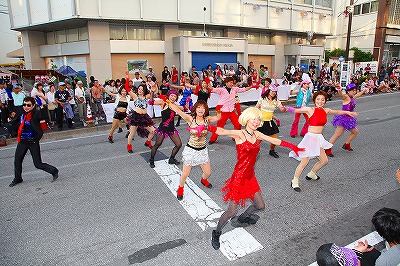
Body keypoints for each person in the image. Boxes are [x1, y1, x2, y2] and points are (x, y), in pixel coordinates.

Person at [210, 107, 303, 250]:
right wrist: (204, 127)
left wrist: (293, 147)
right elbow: (222, 131)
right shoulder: (240, 134)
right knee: (231, 212)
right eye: (253, 119)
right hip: (239, 177)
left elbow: (276, 142)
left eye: (258, 119)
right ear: (247, 119)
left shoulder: (257, 134)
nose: (256, 121)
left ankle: (244, 217)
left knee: (260, 206)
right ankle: (216, 232)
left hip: (250, 177)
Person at [286, 91, 358, 192]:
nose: (320, 101)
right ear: (315, 100)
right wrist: (286, 108)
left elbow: (337, 112)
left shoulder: (326, 110)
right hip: (310, 139)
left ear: (325, 101)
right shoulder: (310, 109)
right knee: (304, 162)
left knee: (324, 160)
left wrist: (348, 112)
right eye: (318, 99)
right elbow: (295, 110)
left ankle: (311, 173)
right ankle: (295, 181)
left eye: (322, 99)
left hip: (318, 139)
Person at [168, 100, 221, 200]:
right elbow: (178, 111)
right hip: (191, 151)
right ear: (195, 109)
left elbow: (218, 117)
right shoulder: (190, 119)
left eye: (203, 108)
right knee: (185, 174)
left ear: (205, 110)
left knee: (208, 173)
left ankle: (203, 180)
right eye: (199, 107)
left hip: (202, 151)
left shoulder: (207, 119)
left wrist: (219, 110)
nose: (201, 109)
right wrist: (168, 102)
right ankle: (180, 188)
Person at [9, 96, 59, 187]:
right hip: (22, 142)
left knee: (38, 164)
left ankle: (54, 171)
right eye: (24, 104)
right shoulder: (21, 114)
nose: (26, 107)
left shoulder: (36, 114)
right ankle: (18, 178)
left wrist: (41, 106)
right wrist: (10, 100)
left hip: (33, 141)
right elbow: (13, 115)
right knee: (17, 161)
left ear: (33, 106)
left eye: (28, 105)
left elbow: (43, 116)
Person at [208, 77, 254, 144]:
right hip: (223, 111)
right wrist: (208, 81)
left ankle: (235, 136)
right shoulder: (221, 90)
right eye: (230, 82)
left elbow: (243, 90)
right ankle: (212, 140)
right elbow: (212, 89)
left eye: (232, 82)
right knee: (219, 126)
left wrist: (250, 87)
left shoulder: (234, 89)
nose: (231, 84)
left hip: (231, 111)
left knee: (238, 124)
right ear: (226, 83)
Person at [325, 83, 367, 157]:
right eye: (353, 91)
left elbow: (358, 95)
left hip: (349, 119)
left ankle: (346, 144)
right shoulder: (346, 97)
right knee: (337, 135)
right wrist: (339, 89)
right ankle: (328, 149)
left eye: (355, 90)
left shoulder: (352, 97)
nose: (355, 92)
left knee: (355, 132)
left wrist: (364, 90)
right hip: (343, 119)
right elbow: (341, 95)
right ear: (348, 91)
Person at [148, 90, 182, 168]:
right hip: (162, 129)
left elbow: (183, 108)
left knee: (179, 144)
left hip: (171, 129)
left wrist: (187, 103)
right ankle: (151, 160)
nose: (173, 97)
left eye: (175, 96)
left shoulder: (175, 105)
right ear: (168, 96)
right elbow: (151, 102)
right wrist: (152, 92)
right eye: (171, 95)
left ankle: (171, 159)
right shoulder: (163, 103)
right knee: (157, 144)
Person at [124, 74, 156, 153]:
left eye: (142, 89)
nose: (140, 90)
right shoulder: (135, 96)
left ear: (144, 90)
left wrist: (154, 87)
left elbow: (154, 92)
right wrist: (127, 78)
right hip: (136, 117)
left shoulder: (146, 97)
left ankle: (148, 142)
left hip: (144, 117)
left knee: (153, 131)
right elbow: (127, 88)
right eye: (139, 89)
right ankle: (129, 146)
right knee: (132, 133)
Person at [255, 84, 287, 158]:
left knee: (274, 139)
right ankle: (254, 152)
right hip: (261, 122)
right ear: (269, 91)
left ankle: (271, 151)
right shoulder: (262, 98)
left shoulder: (276, 101)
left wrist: (284, 109)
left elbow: (282, 108)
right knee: (259, 140)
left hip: (269, 122)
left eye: (275, 91)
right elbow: (256, 108)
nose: (273, 93)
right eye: (272, 91)